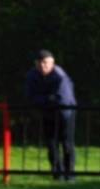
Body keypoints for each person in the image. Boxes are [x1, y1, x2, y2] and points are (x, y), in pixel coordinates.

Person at [24, 49, 77, 181]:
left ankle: (69, 174)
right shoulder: (32, 75)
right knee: (51, 144)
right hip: (48, 113)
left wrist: (43, 100)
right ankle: (56, 174)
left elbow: (62, 99)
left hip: (66, 113)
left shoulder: (60, 76)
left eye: (46, 63)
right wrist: (48, 99)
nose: (43, 66)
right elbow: (30, 97)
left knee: (67, 143)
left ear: (52, 63)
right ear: (36, 64)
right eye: (40, 63)